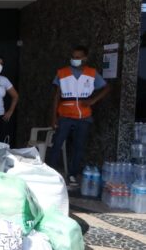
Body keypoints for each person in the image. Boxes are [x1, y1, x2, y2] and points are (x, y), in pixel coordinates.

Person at [47, 45, 111, 187]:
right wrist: (54, 117)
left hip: (84, 116)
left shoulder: (92, 73)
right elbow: (56, 96)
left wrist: (93, 100)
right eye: (73, 57)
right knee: (57, 144)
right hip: (65, 114)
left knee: (79, 147)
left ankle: (72, 175)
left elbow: (107, 88)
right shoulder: (62, 72)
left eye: (78, 57)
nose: (74, 59)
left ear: (85, 58)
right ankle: (50, 173)